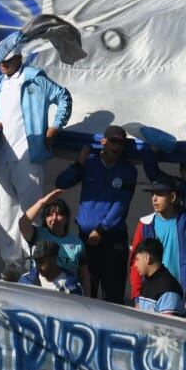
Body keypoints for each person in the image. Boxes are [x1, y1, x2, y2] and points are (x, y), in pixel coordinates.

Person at [0, 30, 71, 273]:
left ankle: (34, 262)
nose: (2, 65)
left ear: (18, 58)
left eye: (7, 61)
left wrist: (52, 131)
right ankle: (11, 264)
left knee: (31, 210)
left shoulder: (34, 78)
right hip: (2, 155)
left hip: (29, 155)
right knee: (5, 211)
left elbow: (63, 97)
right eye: (0, 61)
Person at [55, 126, 137, 302]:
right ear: (103, 142)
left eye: (121, 143)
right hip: (86, 239)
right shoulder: (89, 164)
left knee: (113, 296)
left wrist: (101, 229)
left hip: (113, 239)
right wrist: (79, 163)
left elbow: (121, 205)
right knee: (85, 293)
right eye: (113, 141)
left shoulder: (128, 170)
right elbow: (61, 182)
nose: (117, 146)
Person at [128, 182, 186, 313]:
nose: (154, 198)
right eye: (152, 194)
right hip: (151, 299)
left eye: (159, 194)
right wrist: (137, 296)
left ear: (173, 197)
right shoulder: (144, 224)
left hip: (184, 299)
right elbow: (135, 261)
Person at [131, 238, 185, 315]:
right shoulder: (147, 282)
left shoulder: (168, 289)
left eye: (137, 259)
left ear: (147, 258)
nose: (135, 265)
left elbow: (168, 325)